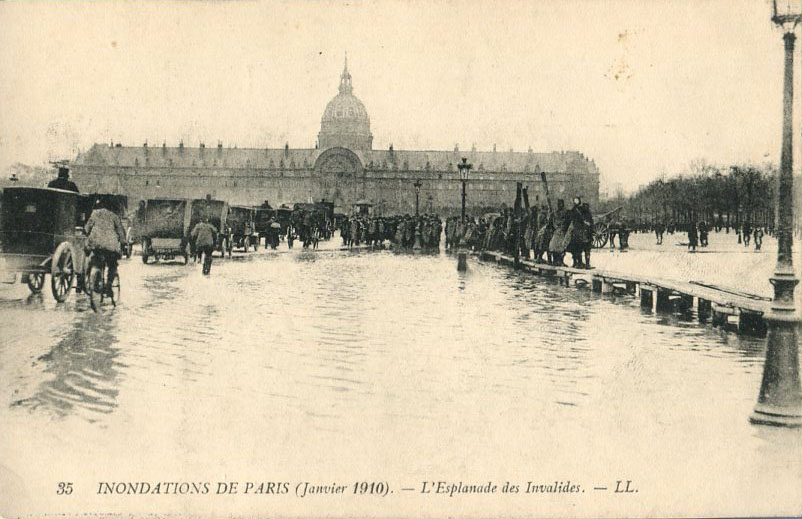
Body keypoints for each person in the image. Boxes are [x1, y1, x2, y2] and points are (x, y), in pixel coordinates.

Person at [85, 198, 126, 294]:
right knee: (112, 265)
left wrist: (87, 234)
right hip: (110, 246)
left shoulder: (95, 213)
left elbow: (87, 228)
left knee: (95, 261)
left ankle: (94, 279)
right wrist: (123, 242)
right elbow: (121, 232)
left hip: (97, 244)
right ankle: (108, 285)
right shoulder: (114, 216)